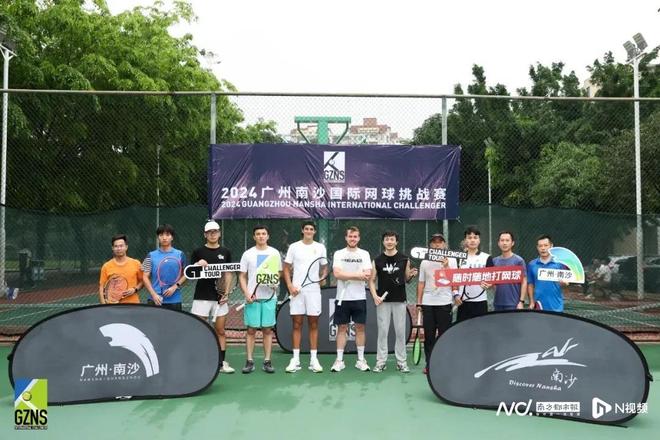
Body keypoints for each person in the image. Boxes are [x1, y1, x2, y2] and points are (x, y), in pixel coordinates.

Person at [190, 220, 235, 374]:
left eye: (215, 231)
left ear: (219, 233)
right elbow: (191, 274)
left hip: (220, 299)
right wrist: (198, 265)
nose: (212, 234)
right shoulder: (198, 252)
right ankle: (200, 361)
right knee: (199, 329)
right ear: (205, 235)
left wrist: (226, 294)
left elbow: (228, 274)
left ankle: (221, 363)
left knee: (220, 331)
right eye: (209, 232)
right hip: (201, 296)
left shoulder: (226, 252)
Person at [369, 230, 417, 373]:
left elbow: (407, 279)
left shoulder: (404, 259)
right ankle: (381, 362)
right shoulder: (377, 260)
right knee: (383, 332)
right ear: (383, 242)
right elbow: (371, 280)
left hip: (399, 300)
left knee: (400, 332)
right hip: (383, 301)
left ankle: (401, 362)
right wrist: (375, 296)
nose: (389, 242)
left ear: (396, 242)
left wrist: (411, 275)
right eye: (387, 239)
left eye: (392, 239)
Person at [283, 221, 328, 373]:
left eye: (311, 229)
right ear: (302, 230)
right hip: (297, 291)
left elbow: (325, 267)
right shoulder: (294, 247)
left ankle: (313, 359)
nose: (309, 231)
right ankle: (295, 360)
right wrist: (290, 286)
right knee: (297, 324)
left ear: (314, 232)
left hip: (313, 291)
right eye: (306, 229)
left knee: (313, 324)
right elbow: (286, 268)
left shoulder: (320, 247)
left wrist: (322, 277)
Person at [239, 225, 282, 374]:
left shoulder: (274, 253)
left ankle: (267, 361)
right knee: (251, 330)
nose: (261, 236)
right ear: (254, 237)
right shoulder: (248, 254)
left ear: (268, 236)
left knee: (267, 330)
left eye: (264, 233)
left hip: (269, 297)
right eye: (258, 234)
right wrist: (246, 293)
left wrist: (274, 283)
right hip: (253, 298)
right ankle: (249, 361)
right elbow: (242, 276)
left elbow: (278, 273)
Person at [331, 226, 372, 372]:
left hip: (359, 297)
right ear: (346, 238)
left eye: (355, 236)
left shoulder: (364, 254)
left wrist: (347, 275)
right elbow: (337, 274)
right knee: (342, 328)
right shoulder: (339, 254)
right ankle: (339, 360)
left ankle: (360, 360)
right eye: (350, 236)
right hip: (342, 298)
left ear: (358, 238)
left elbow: (367, 275)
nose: (352, 239)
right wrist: (357, 275)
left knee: (360, 328)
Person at [416, 233, 458, 375]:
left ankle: (444, 363)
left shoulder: (452, 260)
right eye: (434, 242)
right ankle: (430, 364)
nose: (437, 244)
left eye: (440, 242)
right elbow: (421, 283)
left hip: (445, 302)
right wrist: (419, 303)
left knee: (444, 335)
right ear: (430, 245)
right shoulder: (424, 262)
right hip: (428, 303)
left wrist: (446, 267)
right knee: (429, 336)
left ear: (444, 244)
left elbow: (454, 280)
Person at [142, 224, 187, 310]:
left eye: (167, 235)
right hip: (155, 300)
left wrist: (175, 286)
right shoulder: (150, 255)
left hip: (174, 300)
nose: (164, 238)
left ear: (172, 237)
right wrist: (154, 295)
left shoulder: (180, 254)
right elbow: (145, 277)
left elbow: (186, 274)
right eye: (161, 235)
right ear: (158, 237)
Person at [455, 226, 493, 322]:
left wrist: (489, 284)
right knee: (463, 328)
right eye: (469, 237)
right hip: (463, 301)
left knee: (480, 328)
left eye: (475, 238)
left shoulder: (487, 257)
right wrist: (455, 294)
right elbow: (454, 278)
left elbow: (492, 279)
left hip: (480, 301)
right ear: (465, 240)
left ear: (479, 240)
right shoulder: (459, 258)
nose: (472, 240)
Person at [527, 234, 568, 312]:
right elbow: (530, 284)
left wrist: (564, 283)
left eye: (546, 245)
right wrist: (531, 302)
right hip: (539, 306)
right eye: (540, 246)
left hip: (556, 306)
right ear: (537, 247)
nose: (543, 248)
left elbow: (566, 283)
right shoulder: (532, 264)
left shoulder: (560, 263)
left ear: (551, 246)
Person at [99, 234, 143, 304]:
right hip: (113, 306)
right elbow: (102, 287)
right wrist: (104, 305)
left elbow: (143, 281)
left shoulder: (136, 263)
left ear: (126, 247)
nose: (119, 248)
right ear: (112, 248)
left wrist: (135, 289)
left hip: (133, 305)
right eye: (116, 246)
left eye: (121, 246)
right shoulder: (106, 266)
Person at [492, 231, 528, 311]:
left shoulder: (519, 261)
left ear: (512, 243)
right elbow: (493, 283)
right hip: (498, 304)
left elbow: (524, 282)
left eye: (507, 240)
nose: (504, 243)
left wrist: (521, 301)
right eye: (502, 240)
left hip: (514, 304)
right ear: (498, 243)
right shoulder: (494, 261)